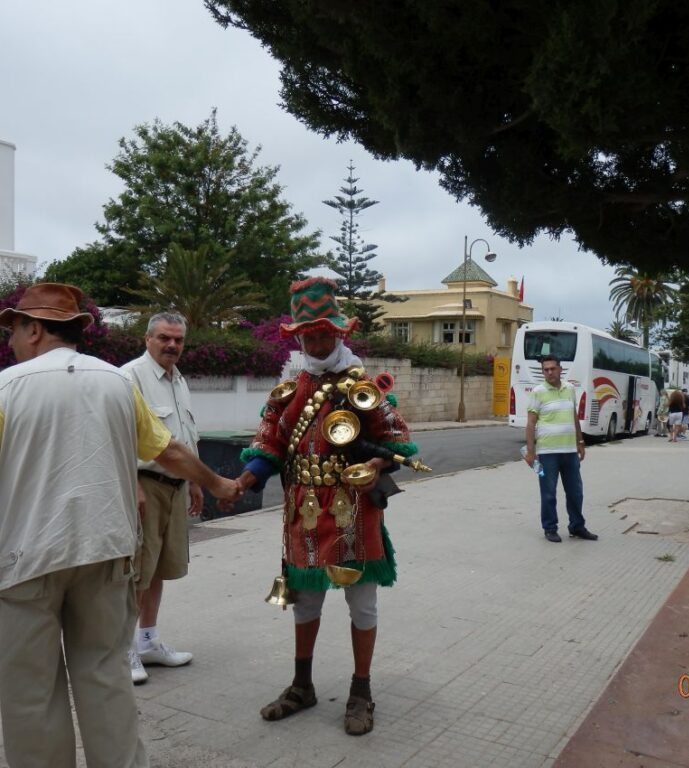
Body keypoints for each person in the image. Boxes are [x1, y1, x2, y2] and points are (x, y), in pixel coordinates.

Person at [0, 283, 241, 768]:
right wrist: (216, 483)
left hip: (24, 559)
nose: (10, 341)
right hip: (106, 552)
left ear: (35, 328)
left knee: (30, 693)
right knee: (106, 677)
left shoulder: (7, 387)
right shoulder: (116, 383)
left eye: (13, 330)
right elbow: (168, 450)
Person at [233, 277, 415, 736]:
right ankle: (301, 686)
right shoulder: (288, 386)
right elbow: (269, 442)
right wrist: (244, 479)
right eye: (307, 334)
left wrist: (375, 464)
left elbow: (399, 440)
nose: (315, 341)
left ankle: (361, 691)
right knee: (305, 602)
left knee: (362, 603)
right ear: (299, 337)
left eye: (323, 333)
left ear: (339, 332)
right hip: (303, 511)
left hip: (354, 509)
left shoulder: (363, 385)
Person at [122, 312, 203, 685]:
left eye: (178, 340)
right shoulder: (130, 377)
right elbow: (118, 437)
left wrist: (197, 481)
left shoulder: (179, 380)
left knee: (159, 570)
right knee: (135, 571)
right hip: (144, 485)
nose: (172, 345)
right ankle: (123, 650)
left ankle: (148, 641)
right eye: (164, 338)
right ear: (147, 339)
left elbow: (186, 435)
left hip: (175, 488)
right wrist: (131, 483)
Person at [524, 355, 598, 543]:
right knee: (548, 493)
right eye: (545, 369)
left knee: (576, 492)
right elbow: (531, 423)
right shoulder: (537, 392)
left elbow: (574, 416)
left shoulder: (570, 389)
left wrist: (580, 442)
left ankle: (577, 526)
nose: (549, 372)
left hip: (569, 452)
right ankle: (550, 528)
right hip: (546, 454)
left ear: (560, 369)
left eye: (552, 368)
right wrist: (531, 452)